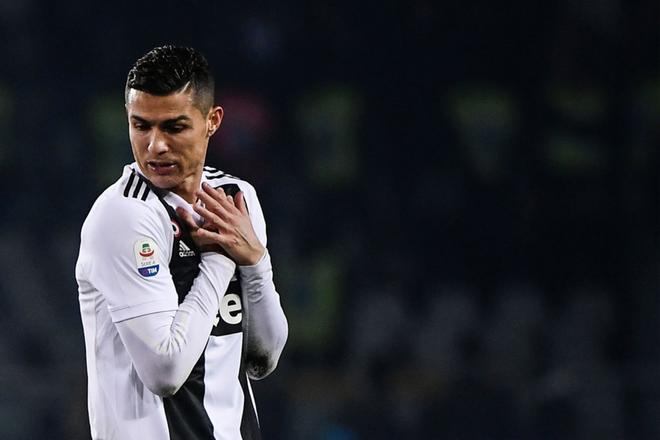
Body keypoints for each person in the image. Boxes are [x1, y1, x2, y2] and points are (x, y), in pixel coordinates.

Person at [76, 45, 288, 440]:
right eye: (141, 126)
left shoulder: (236, 198)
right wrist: (222, 261)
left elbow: (264, 358)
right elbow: (165, 373)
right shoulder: (123, 216)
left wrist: (257, 263)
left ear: (212, 121)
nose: (155, 145)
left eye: (173, 127)